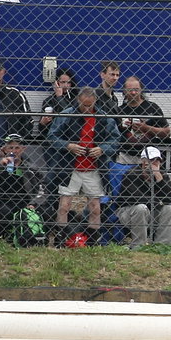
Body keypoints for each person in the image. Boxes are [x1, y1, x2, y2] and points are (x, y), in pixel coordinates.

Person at [49, 86, 119, 240]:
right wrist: (68, 146)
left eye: (90, 105)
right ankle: (61, 239)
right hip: (70, 167)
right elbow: (52, 136)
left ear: (95, 101)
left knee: (95, 208)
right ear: (78, 101)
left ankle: (92, 241)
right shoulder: (67, 115)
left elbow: (115, 140)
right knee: (64, 205)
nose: (87, 109)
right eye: (83, 105)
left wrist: (102, 149)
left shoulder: (103, 118)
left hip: (94, 167)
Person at [116, 146, 171, 247]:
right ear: (143, 162)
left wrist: (159, 179)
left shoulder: (162, 174)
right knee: (141, 208)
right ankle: (139, 246)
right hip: (129, 212)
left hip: (153, 210)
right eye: (151, 161)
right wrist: (160, 202)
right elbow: (138, 198)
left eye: (157, 161)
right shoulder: (132, 174)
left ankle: (162, 246)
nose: (155, 164)